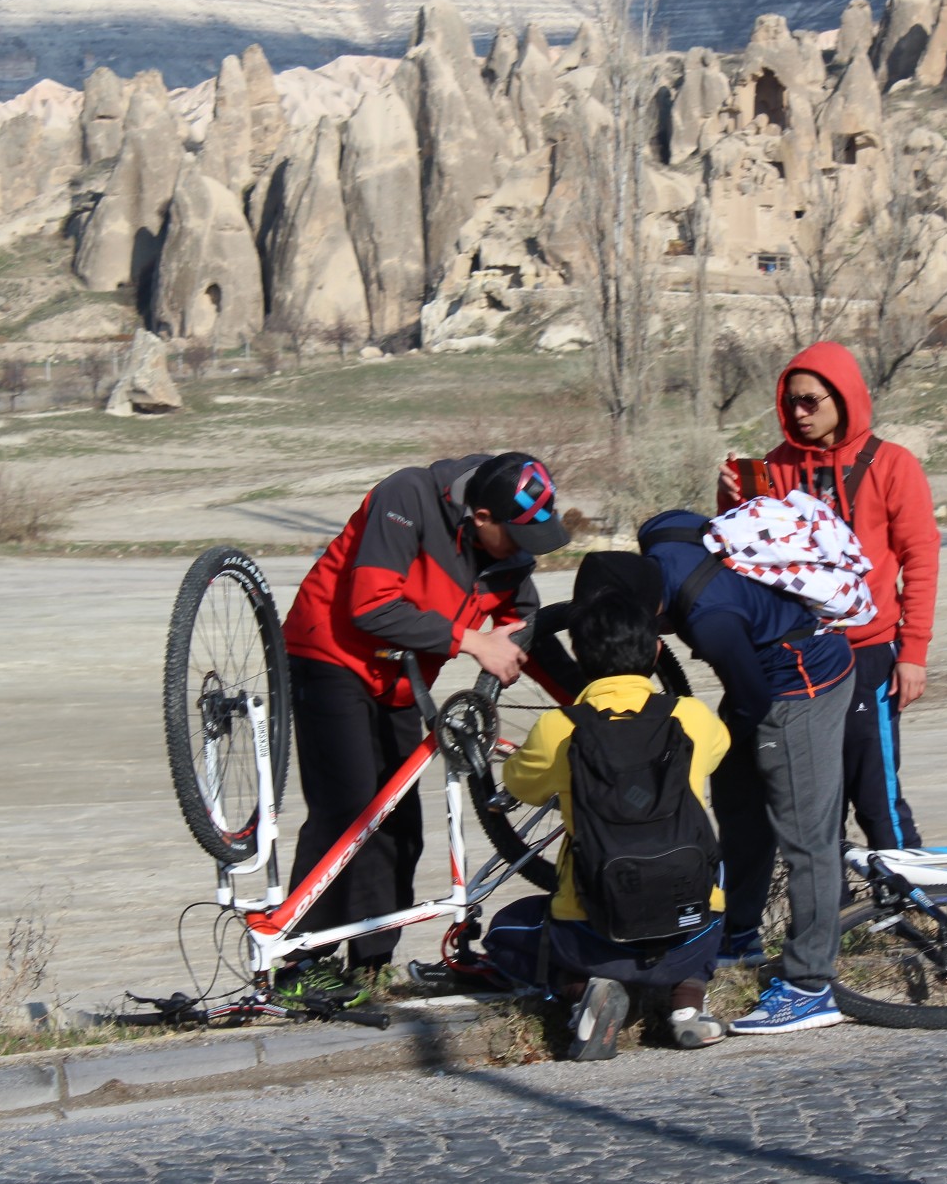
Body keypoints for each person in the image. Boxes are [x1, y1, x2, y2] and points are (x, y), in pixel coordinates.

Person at [276, 452, 567, 999]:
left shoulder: (506, 551)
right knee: (349, 809)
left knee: (400, 821)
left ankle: (368, 965)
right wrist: (473, 641)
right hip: (330, 652)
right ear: (482, 517)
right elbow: (372, 605)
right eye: (521, 536)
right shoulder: (407, 497)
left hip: (400, 678)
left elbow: (525, 631)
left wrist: (585, 703)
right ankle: (298, 960)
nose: (529, 550)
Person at [614, 518, 856, 1035]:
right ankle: (740, 933)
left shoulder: (710, 619)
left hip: (802, 688)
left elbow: (754, 702)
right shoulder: (662, 548)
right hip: (761, 679)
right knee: (737, 805)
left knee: (805, 837)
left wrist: (714, 741)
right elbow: (673, 521)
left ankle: (810, 986)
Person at [491, 573, 730, 1059]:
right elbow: (718, 752)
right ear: (656, 654)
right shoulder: (692, 716)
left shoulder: (558, 727)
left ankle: (583, 991)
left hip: (594, 932)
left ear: (580, 657)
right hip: (690, 928)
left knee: (505, 930)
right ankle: (687, 1005)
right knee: (711, 882)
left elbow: (519, 784)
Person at [719, 341, 941, 853]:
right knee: (813, 802)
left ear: (843, 397)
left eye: (811, 401)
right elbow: (753, 558)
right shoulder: (774, 467)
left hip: (868, 653)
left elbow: (921, 560)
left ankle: (923, 911)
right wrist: (729, 501)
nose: (798, 414)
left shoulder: (893, 465)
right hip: (799, 657)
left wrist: (913, 655)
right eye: (791, 402)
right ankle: (834, 922)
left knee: (876, 796)